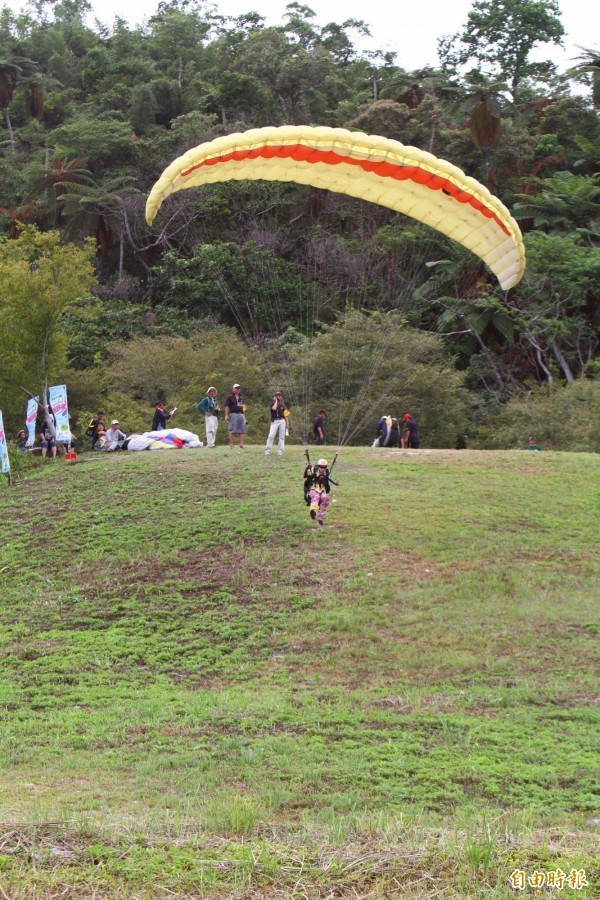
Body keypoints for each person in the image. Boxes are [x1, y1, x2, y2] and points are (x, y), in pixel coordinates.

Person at [303, 457, 338, 526]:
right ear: (318, 466)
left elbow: (329, 478)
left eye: (324, 467)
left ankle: (320, 518)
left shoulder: (326, 471)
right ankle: (313, 511)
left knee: (325, 498)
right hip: (313, 489)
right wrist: (307, 468)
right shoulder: (313, 470)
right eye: (321, 467)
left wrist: (335, 483)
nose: (323, 469)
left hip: (321, 490)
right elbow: (306, 475)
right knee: (316, 496)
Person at [265, 391, 290, 456]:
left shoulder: (283, 405)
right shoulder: (272, 404)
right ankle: (267, 450)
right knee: (271, 435)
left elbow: (286, 415)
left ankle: (280, 451)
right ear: (274, 397)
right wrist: (276, 401)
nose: (278, 397)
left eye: (279, 396)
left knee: (281, 437)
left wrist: (287, 423)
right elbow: (274, 408)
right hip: (275, 421)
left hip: (282, 421)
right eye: (277, 396)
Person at [224, 383, 247, 449]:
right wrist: (226, 415)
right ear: (233, 389)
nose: (237, 389)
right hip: (233, 414)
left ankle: (241, 445)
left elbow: (244, 408)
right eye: (236, 388)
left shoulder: (241, 398)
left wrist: (245, 418)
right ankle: (231, 445)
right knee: (232, 430)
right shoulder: (230, 397)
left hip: (241, 414)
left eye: (238, 388)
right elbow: (227, 406)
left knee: (242, 430)